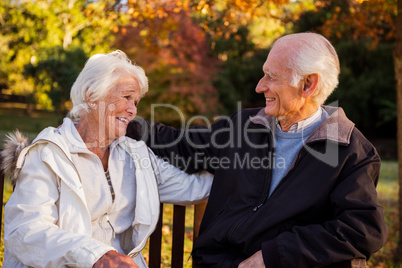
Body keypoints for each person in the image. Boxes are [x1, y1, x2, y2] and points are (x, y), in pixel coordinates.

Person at [126, 32, 388, 267]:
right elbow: (181, 144)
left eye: (271, 77)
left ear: (308, 85)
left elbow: (362, 229)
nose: (259, 86)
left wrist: (274, 255)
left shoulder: (350, 152)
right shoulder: (243, 126)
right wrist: (122, 122)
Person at [1, 50, 213, 268]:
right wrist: (96, 256)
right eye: (127, 97)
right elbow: (25, 230)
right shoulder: (48, 153)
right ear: (91, 95)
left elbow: (194, 187)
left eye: (136, 102)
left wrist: (245, 168)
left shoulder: (134, 153)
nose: (133, 110)